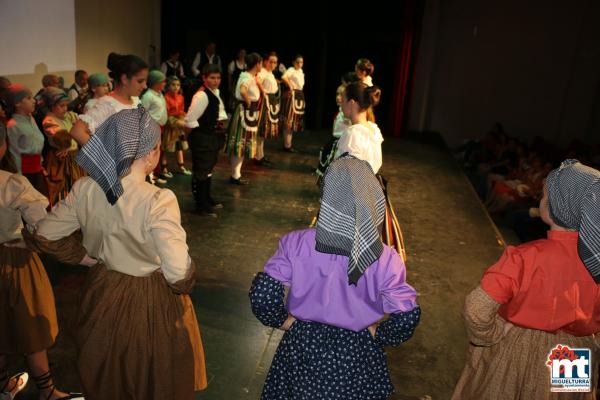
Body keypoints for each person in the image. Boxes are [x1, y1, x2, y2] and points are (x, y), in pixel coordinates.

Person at [26, 108, 207, 399]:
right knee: (151, 376)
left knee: (108, 373)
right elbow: (177, 274)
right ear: (150, 154)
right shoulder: (158, 199)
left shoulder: (85, 188)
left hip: (101, 292)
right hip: (150, 299)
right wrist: (185, 276)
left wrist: (86, 258)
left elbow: (44, 234)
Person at [250, 155, 421, 399]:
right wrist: (378, 333)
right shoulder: (385, 258)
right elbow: (407, 316)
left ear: (326, 198)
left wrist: (284, 321)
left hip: (302, 348)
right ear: (373, 201)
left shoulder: (296, 243)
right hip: (356, 353)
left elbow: (263, 295)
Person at [452, 159, 600, 400]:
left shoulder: (523, 257)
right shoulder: (597, 263)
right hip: (574, 357)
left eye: (544, 196)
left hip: (519, 351)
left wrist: (492, 334)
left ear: (557, 208)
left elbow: (476, 309)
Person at [0, 127, 83, 400]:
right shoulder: (11, 183)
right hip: (13, 258)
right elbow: (42, 226)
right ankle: (47, 391)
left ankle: (4, 385)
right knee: (30, 323)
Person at [335, 81, 406, 261]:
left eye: (342, 100)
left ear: (352, 103)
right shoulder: (373, 130)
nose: (340, 104)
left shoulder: (352, 134)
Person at [70, 53, 148, 147]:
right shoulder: (108, 103)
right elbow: (77, 131)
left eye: (145, 81)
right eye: (140, 81)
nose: (145, 86)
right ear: (124, 79)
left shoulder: (135, 100)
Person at [184, 64, 228, 216]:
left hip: (212, 137)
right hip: (203, 137)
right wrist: (198, 134)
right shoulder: (201, 95)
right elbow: (189, 119)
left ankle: (207, 198)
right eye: (212, 78)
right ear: (204, 78)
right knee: (201, 171)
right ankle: (200, 204)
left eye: (218, 78)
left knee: (208, 169)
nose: (216, 81)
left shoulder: (215, 92)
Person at [41, 88, 85, 206]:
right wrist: (64, 143)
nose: (65, 109)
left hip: (74, 157)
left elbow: (84, 124)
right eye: (61, 106)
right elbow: (57, 135)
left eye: (66, 105)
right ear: (51, 106)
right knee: (64, 188)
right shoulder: (49, 120)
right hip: (61, 160)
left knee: (79, 185)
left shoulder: (69, 116)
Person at [226, 52, 262, 185]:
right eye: (261, 63)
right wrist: (248, 103)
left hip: (247, 112)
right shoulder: (247, 77)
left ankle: (236, 175)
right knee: (239, 144)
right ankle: (235, 176)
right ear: (257, 64)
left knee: (241, 145)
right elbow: (242, 90)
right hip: (244, 112)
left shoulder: (249, 76)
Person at [5, 84, 47, 196]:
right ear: (17, 103)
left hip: (37, 171)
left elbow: (37, 143)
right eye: (28, 98)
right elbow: (14, 154)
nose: (34, 101)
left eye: (33, 97)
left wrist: (41, 164)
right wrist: (19, 179)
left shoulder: (31, 119)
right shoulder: (12, 125)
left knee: (42, 202)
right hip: (25, 174)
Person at [255, 51, 280, 167]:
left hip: (271, 101)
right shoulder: (263, 72)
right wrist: (263, 91)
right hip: (265, 101)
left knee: (263, 132)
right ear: (265, 62)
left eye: (275, 62)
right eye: (271, 62)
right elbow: (257, 80)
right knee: (261, 130)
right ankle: (258, 157)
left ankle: (260, 155)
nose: (273, 64)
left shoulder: (270, 73)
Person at [164, 76, 191, 175]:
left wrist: (184, 117)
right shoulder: (166, 98)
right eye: (173, 85)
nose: (176, 87)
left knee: (179, 146)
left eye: (178, 85)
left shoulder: (181, 97)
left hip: (179, 125)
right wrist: (176, 121)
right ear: (168, 86)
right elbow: (167, 114)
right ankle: (164, 168)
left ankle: (181, 166)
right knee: (167, 147)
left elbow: (181, 110)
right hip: (170, 125)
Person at [280, 55, 305, 152]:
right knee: (289, 120)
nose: (299, 64)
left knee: (293, 121)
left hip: (299, 95)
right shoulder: (291, 70)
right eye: (298, 62)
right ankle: (287, 145)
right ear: (293, 62)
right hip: (293, 95)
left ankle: (288, 144)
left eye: (301, 62)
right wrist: (290, 85)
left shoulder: (301, 71)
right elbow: (283, 77)